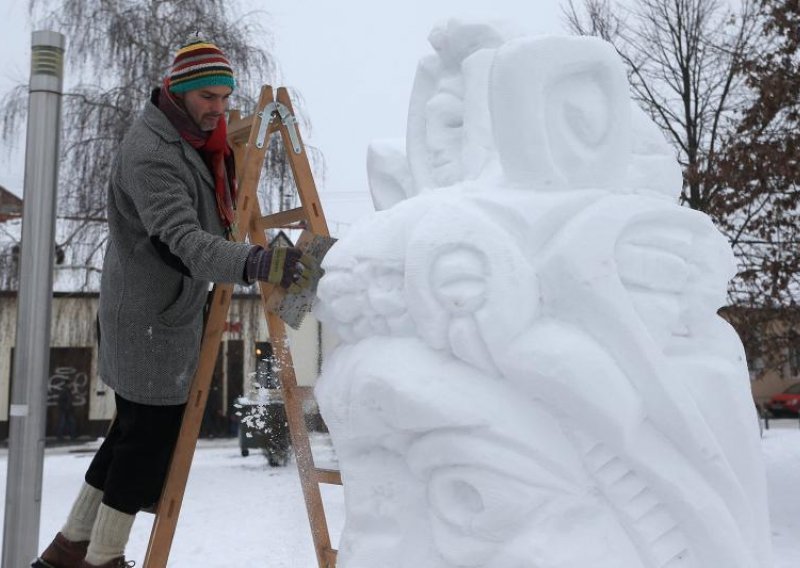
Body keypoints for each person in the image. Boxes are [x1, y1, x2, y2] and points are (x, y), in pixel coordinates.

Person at [33, 38, 317, 568]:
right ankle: (104, 558)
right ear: (179, 90)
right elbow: (182, 242)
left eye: (226, 99)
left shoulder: (192, 141)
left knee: (128, 437)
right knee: (147, 448)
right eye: (209, 96)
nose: (219, 109)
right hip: (148, 322)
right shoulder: (153, 152)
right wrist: (254, 262)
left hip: (158, 314)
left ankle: (68, 549)